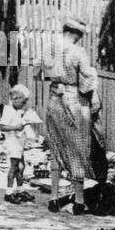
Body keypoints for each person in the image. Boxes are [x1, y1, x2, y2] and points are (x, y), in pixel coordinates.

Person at [44, 17, 98, 214]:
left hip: (53, 99)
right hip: (73, 100)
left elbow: (40, 73)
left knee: (56, 147)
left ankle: (54, 197)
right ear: (75, 34)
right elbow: (87, 82)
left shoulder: (50, 49)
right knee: (77, 147)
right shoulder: (78, 52)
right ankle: (78, 200)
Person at [0, 84, 42, 202]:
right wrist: (15, 127)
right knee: (13, 167)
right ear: (15, 98)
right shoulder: (8, 110)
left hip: (20, 141)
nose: (24, 104)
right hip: (13, 142)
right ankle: (8, 192)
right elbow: (2, 127)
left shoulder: (19, 110)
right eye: (23, 102)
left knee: (21, 167)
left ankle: (20, 189)